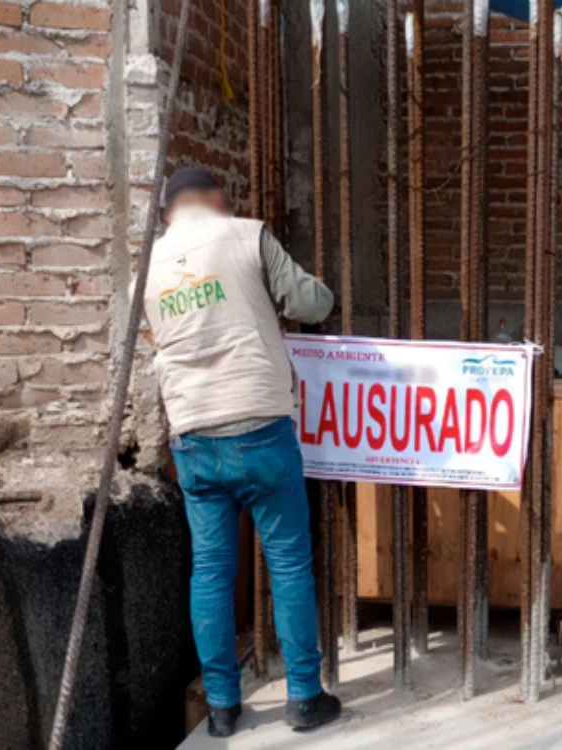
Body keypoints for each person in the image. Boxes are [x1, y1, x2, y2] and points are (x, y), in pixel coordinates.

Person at [142, 166, 340, 737]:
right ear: (215, 199)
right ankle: (304, 696)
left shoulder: (147, 266)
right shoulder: (248, 235)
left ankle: (223, 708)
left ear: (168, 210)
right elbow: (311, 303)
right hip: (261, 428)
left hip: (194, 436)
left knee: (211, 572)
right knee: (289, 563)